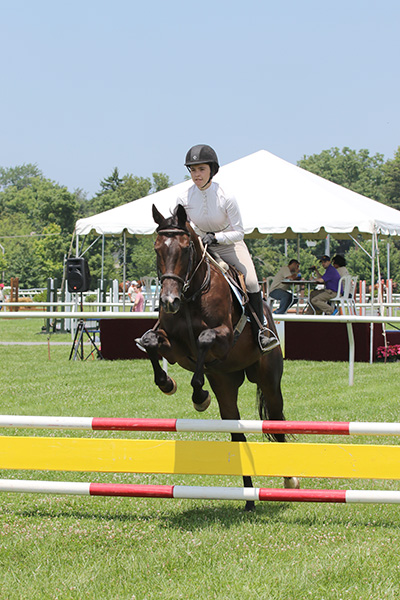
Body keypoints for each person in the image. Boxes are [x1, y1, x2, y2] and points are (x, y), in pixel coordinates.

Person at [176, 144, 279, 352]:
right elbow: (182, 227)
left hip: (229, 245)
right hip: (201, 248)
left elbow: (239, 232)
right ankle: (163, 327)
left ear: (212, 170)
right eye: (193, 170)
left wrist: (215, 238)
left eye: (201, 169)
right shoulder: (183, 198)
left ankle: (262, 331)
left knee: (250, 281)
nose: (197, 175)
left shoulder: (226, 196)